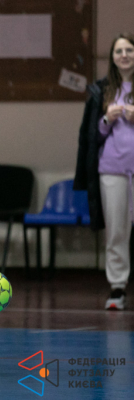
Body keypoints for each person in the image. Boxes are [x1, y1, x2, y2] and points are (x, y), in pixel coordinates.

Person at [75, 33, 134, 310]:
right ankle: (118, 288)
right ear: (112, 57)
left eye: (129, 50)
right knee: (116, 231)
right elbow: (92, 136)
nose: (124, 55)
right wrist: (106, 120)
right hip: (112, 170)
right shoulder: (102, 90)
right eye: (119, 51)